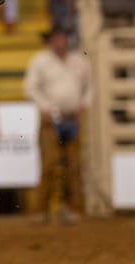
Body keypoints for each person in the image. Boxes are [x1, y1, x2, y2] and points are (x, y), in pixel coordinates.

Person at [24, 24, 91, 225]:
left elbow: (90, 87)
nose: (60, 41)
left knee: (73, 166)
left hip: (71, 117)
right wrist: (45, 108)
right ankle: (42, 211)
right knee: (49, 165)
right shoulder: (40, 61)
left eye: (62, 37)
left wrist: (83, 105)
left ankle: (72, 210)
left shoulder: (79, 61)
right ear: (51, 40)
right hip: (51, 119)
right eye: (57, 38)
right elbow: (30, 88)